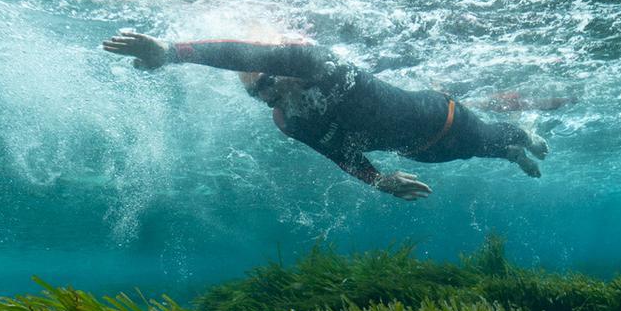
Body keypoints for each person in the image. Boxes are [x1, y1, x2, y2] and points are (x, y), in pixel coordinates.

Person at [101, 31, 548, 200]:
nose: (270, 95)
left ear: (283, 69)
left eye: (269, 82)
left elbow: (240, 51)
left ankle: (523, 138)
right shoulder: (288, 122)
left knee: (487, 137)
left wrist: (171, 53)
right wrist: (379, 182)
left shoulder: (318, 65)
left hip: (445, 116)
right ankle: (511, 156)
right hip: (420, 154)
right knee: (479, 156)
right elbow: (338, 153)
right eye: (260, 94)